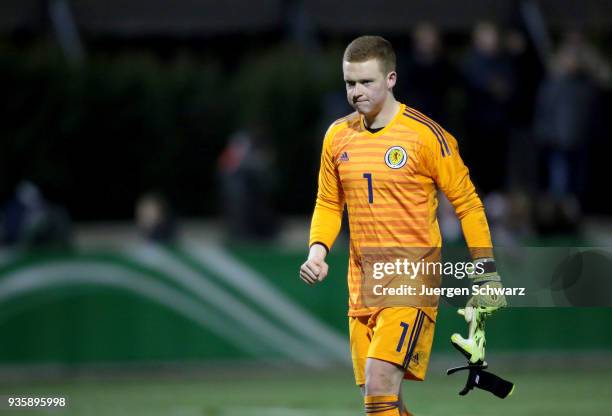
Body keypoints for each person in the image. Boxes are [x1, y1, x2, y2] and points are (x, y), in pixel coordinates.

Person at [299, 36, 505, 415]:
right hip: (361, 283)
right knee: (384, 400)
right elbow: (329, 202)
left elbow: (468, 204)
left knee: (378, 388)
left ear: (391, 78)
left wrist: (485, 270)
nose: (356, 92)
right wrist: (318, 251)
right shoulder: (337, 137)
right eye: (349, 83)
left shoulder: (427, 137)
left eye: (366, 82)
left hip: (411, 277)